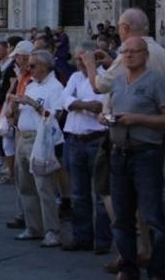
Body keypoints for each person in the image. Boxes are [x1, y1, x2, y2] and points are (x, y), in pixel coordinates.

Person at [106, 37, 165, 280]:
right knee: (122, 217)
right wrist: (107, 119)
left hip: (146, 154)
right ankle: (128, 267)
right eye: (125, 52)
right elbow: (110, 110)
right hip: (119, 154)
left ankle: (158, 270)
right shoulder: (118, 83)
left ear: (145, 55)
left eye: (134, 52)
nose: (129, 56)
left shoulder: (156, 82)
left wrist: (137, 119)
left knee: (153, 217)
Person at [9, 50, 65, 248]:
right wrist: (14, 108)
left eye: (32, 66)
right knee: (25, 185)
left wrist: (33, 104)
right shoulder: (31, 85)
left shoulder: (55, 87)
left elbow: (54, 116)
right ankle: (33, 226)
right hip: (22, 137)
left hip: (40, 139)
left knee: (44, 186)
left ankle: (52, 230)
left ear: (44, 66)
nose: (29, 69)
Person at [60, 43, 111, 254]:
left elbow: (101, 104)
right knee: (78, 193)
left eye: (84, 59)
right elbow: (64, 100)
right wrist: (83, 105)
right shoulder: (74, 78)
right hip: (74, 138)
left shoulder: (104, 78)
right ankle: (82, 236)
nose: (81, 63)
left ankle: (102, 240)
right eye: (78, 59)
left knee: (101, 193)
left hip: (96, 138)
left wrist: (77, 104)